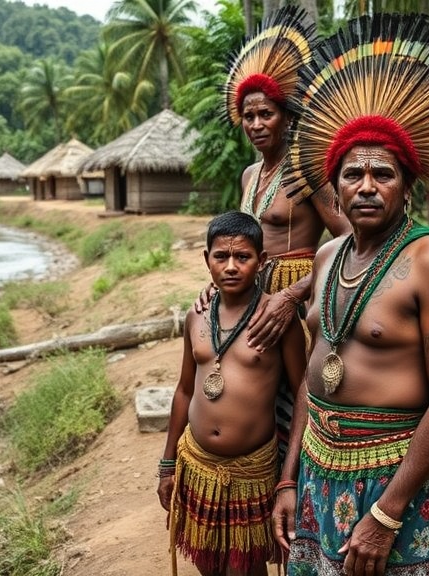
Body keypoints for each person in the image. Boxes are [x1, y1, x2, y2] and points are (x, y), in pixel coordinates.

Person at [270, 13, 429, 576]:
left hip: (394, 482)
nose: (366, 186)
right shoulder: (327, 258)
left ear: (407, 184)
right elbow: (313, 375)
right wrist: (288, 477)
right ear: (336, 185)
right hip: (319, 471)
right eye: (352, 174)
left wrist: (387, 513)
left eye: (383, 173)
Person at [206, 5, 351, 466]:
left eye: (265, 113)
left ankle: (301, 492)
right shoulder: (250, 175)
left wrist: (292, 294)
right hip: (252, 296)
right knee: (256, 394)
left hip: (298, 299)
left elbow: (349, 239)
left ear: (285, 116)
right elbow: (240, 242)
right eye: (248, 116)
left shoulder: (308, 171)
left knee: (302, 392)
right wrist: (219, 289)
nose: (255, 125)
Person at [158, 211, 307, 576]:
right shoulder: (197, 315)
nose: (231, 267)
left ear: (262, 261)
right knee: (208, 564)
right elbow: (184, 390)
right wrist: (166, 464)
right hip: (197, 464)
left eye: (243, 257)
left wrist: (288, 476)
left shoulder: (276, 318)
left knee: (247, 567)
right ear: (205, 259)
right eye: (220, 257)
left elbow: (303, 390)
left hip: (252, 470)